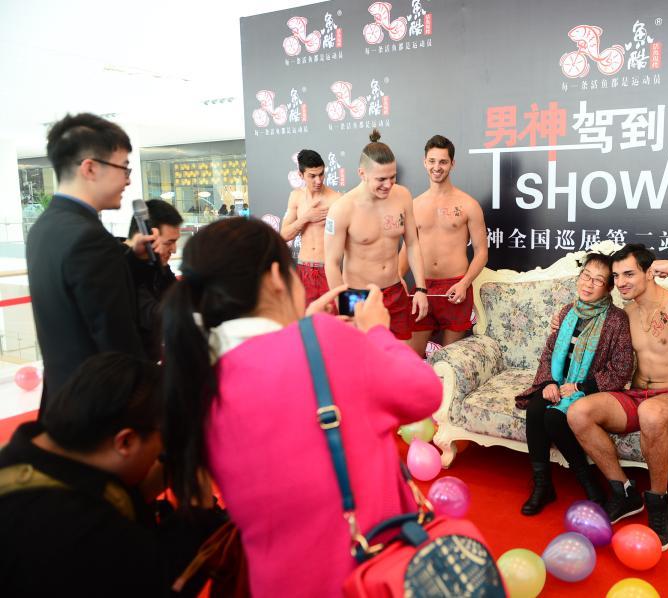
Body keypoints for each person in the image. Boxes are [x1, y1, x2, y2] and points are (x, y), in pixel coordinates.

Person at [161, 218, 442, 596]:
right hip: (363, 577)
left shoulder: (196, 377)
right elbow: (425, 392)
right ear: (277, 277)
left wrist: (305, 328)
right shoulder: (326, 341)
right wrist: (377, 330)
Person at [0, 353, 218, 597]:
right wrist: (198, 510)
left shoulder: (23, 457)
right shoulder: (77, 529)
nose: (161, 453)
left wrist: (141, 492)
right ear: (125, 441)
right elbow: (160, 582)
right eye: (164, 440)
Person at [567, 244, 668, 550]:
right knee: (579, 412)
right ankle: (624, 492)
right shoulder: (626, 313)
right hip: (635, 395)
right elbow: (586, 318)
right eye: (617, 276)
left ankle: (659, 501)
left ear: (649, 273)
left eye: (629, 274)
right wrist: (560, 324)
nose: (621, 282)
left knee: (652, 413)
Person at [26, 113, 155, 409]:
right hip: (99, 408)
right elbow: (118, 344)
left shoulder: (43, 227)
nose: (128, 179)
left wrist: (131, 259)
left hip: (62, 396)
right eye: (123, 167)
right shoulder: (90, 239)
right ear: (90, 168)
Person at [515, 253, 633, 515]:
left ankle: (589, 483)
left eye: (598, 280)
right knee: (535, 409)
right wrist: (548, 381)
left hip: (589, 390)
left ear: (608, 288)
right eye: (585, 276)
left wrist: (581, 387)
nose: (588, 284)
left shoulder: (616, 320)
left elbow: (622, 368)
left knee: (555, 419)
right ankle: (543, 486)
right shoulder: (567, 312)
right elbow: (549, 352)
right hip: (558, 383)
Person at [324, 130, 429, 340]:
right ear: (362, 173)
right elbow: (332, 263)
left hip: (395, 291)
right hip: (358, 297)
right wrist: (345, 306)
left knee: (396, 353)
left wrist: (421, 288)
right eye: (381, 179)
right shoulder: (342, 209)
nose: (388, 185)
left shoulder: (403, 196)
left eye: (392, 177)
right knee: (363, 356)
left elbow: (412, 244)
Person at [400, 135, 488, 356]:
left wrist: (464, 283)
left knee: (450, 362)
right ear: (424, 162)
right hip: (423, 288)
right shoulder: (414, 205)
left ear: (452, 164)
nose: (436, 167)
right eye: (432, 161)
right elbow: (407, 250)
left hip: (455, 289)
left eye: (443, 162)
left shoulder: (468, 204)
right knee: (411, 357)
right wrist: (398, 279)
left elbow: (481, 252)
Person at [280, 149, 341, 305]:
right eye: (312, 176)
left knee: (331, 317)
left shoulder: (336, 200)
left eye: (321, 174)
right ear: (301, 175)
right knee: (305, 317)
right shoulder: (296, 197)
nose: (318, 180)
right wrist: (306, 218)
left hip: (328, 270)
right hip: (303, 269)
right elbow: (284, 235)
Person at [127, 199, 183, 361]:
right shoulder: (123, 268)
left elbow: (177, 296)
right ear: (149, 238)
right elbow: (153, 315)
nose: (174, 250)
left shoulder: (157, 265)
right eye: (169, 243)